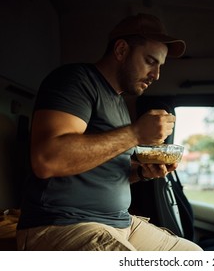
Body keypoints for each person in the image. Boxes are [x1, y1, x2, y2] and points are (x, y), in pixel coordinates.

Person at [16, 13, 203, 251]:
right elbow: (47, 160)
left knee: (193, 255)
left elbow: (100, 170)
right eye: (150, 61)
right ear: (122, 50)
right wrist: (135, 133)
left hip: (119, 222)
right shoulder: (75, 81)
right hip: (62, 225)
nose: (156, 75)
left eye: (160, 66)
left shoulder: (119, 103)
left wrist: (142, 173)